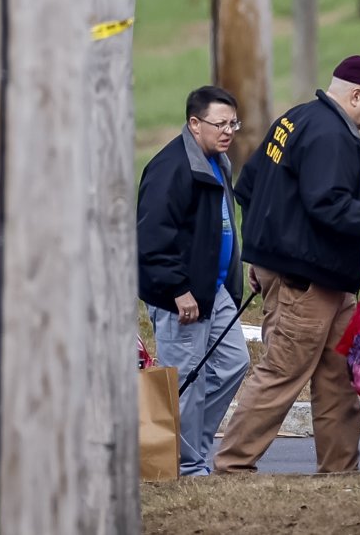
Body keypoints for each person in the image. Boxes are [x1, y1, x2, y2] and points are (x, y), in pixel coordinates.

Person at [214, 55, 360, 474]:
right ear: (355, 95)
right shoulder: (331, 135)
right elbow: (327, 203)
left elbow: (247, 186)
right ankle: (232, 467)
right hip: (307, 280)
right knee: (282, 372)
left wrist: (260, 256)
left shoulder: (293, 120)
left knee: (338, 378)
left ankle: (339, 470)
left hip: (320, 278)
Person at [137, 86, 250, 477]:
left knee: (235, 362)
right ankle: (186, 468)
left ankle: (192, 453)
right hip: (180, 294)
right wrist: (178, 289)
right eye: (220, 123)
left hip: (213, 289)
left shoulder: (217, 161)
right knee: (186, 380)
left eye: (233, 122)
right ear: (194, 123)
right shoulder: (171, 168)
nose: (229, 131)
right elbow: (152, 240)